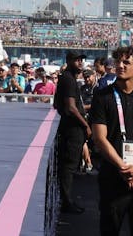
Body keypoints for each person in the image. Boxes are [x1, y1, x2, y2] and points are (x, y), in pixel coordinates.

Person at [87, 45, 133, 236]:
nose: (120, 66)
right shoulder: (102, 97)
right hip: (113, 175)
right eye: (118, 61)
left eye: (126, 62)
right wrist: (124, 167)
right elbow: (99, 138)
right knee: (110, 229)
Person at [54, 53, 91, 214]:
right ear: (69, 62)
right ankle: (66, 202)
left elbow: (58, 104)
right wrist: (86, 125)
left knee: (68, 167)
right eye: (77, 60)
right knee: (68, 167)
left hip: (71, 127)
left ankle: (67, 200)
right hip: (73, 128)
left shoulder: (67, 78)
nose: (80, 63)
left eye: (81, 60)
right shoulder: (68, 79)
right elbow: (70, 107)